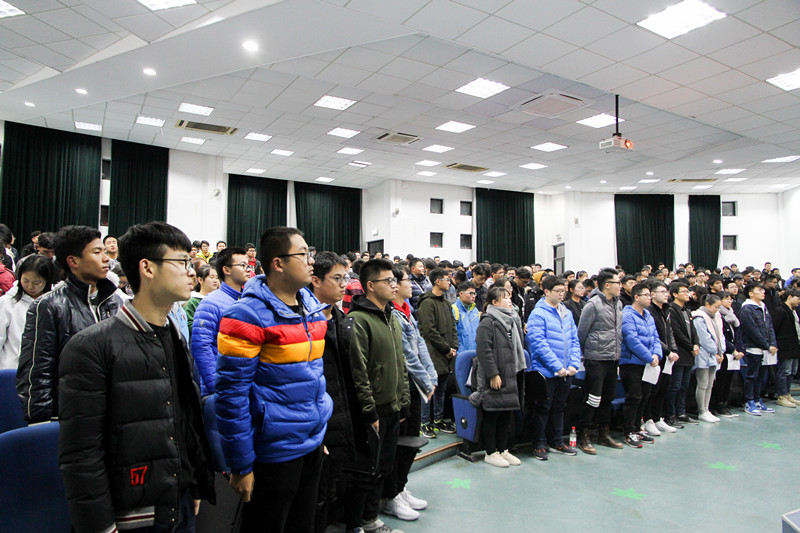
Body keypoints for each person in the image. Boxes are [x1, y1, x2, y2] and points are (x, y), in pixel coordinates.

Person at [58, 221, 215, 533]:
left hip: (179, 501)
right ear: (147, 268)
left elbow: (184, 420)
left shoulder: (173, 335)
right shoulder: (91, 347)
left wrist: (194, 480)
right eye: (182, 262)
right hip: (132, 516)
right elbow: (82, 455)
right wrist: (101, 527)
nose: (191, 272)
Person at [216, 227, 331, 533]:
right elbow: (231, 396)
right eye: (303, 254)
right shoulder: (245, 316)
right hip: (273, 452)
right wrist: (241, 464)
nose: (311, 261)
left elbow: (313, 377)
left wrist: (317, 432)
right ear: (278, 263)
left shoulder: (312, 308)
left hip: (310, 444)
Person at [16, 225, 122, 423]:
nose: (106, 258)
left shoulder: (114, 301)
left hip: (111, 415)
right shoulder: (49, 305)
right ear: (73, 261)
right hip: (69, 418)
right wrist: (41, 422)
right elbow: (36, 373)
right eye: (97, 252)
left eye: (104, 251)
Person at [343, 258, 409, 533]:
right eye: (388, 281)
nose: (394, 285)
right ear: (370, 286)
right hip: (374, 410)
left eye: (395, 280)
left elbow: (400, 362)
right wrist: (370, 411)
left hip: (392, 405)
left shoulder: (391, 316)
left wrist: (403, 401)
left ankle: (372, 516)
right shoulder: (358, 320)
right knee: (367, 469)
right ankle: (359, 522)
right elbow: (359, 373)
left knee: (384, 465)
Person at [309, 252, 363, 533]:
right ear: (315, 281)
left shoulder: (342, 319)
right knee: (315, 497)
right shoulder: (304, 322)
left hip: (342, 415)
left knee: (334, 489)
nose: (344, 285)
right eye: (337, 278)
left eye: (346, 278)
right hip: (319, 422)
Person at [385, 264, 436, 519]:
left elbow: (420, 344)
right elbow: (407, 355)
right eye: (406, 280)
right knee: (401, 441)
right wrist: (426, 381)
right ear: (394, 286)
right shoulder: (392, 314)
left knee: (412, 440)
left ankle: (401, 486)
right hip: (404, 386)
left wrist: (431, 376)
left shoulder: (407, 310)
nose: (411, 285)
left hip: (417, 385)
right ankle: (390, 494)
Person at [525, 275, 581, 461]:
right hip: (546, 371)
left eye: (563, 291)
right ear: (547, 292)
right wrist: (557, 366)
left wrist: (573, 364)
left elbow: (574, 340)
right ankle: (539, 443)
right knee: (543, 408)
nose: (561, 294)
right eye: (558, 291)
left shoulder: (566, 312)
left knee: (559, 407)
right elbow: (538, 343)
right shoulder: (538, 314)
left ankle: (557, 441)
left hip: (566, 371)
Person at [471, 285, 526, 468]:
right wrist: (493, 374)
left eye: (510, 297)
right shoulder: (488, 322)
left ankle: (503, 449)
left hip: (511, 372)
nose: (510, 301)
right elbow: (484, 351)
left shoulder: (511, 319)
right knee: (492, 415)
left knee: (505, 415)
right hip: (496, 375)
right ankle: (490, 452)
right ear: (494, 302)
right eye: (505, 298)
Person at [576, 268, 624, 454]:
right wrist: (588, 354)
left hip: (613, 357)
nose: (620, 286)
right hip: (596, 359)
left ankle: (604, 433)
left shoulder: (618, 304)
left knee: (608, 398)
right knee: (593, 398)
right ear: (607, 285)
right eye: (617, 283)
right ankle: (584, 435)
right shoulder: (592, 305)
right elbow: (582, 333)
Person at [190, 246, 247, 396]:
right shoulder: (212, 302)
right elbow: (201, 346)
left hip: (242, 385)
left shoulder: (247, 300)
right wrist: (216, 385)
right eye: (242, 265)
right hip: (221, 388)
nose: (247, 269)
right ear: (226, 270)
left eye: (248, 265)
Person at [418, 267, 459, 437]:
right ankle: (424, 422)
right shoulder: (427, 303)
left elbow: (453, 327)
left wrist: (453, 347)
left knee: (441, 389)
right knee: (429, 389)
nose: (449, 282)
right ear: (437, 281)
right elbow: (430, 331)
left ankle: (438, 419)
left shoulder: (446, 303)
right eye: (447, 279)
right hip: (433, 353)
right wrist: (446, 348)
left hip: (446, 354)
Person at [619, 283, 660, 448]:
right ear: (636, 297)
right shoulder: (628, 315)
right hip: (632, 363)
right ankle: (629, 431)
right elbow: (632, 340)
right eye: (646, 295)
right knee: (634, 397)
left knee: (644, 397)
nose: (650, 298)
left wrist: (656, 355)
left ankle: (637, 428)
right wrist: (649, 357)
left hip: (648, 364)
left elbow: (655, 337)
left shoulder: (648, 315)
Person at [0, 255, 52, 370]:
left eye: (36, 282)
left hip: (43, 369)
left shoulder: (54, 303)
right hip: (11, 369)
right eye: (25, 281)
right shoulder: (7, 302)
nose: (30, 286)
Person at [644, 280, 679, 435]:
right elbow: (654, 336)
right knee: (652, 390)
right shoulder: (649, 311)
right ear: (652, 294)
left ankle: (658, 418)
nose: (666, 295)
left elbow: (669, 332)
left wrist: (673, 349)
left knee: (663, 388)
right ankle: (648, 420)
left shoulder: (666, 310)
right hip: (656, 355)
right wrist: (666, 351)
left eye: (666, 292)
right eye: (662, 292)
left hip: (667, 357)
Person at [739, 283, 778, 416]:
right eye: (759, 290)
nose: (763, 292)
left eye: (763, 290)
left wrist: (772, 344)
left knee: (761, 376)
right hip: (753, 348)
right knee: (752, 376)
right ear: (751, 293)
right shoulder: (747, 308)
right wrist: (766, 345)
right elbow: (752, 330)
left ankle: (757, 400)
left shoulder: (763, 307)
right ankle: (749, 401)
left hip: (766, 348)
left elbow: (770, 327)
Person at [666, 282, 700, 427]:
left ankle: (681, 412)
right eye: (684, 291)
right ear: (675, 294)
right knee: (675, 386)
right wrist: (690, 346)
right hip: (679, 352)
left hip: (689, 354)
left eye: (688, 291)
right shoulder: (671, 310)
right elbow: (676, 332)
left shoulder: (687, 311)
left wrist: (696, 344)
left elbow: (693, 331)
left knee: (684, 386)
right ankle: (671, 415)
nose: (687, 294)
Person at [692, 294, 724, 423]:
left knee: (710, 384)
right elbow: (704, 338)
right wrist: (715, 352)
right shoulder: (699, 317)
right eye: (716, 307)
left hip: (714, 355)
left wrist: (721, 352)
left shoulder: (716, 317)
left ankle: (707, 409)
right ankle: (701, 411)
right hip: (704, 354)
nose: (717, 310)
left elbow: (720, 335)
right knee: (703, 384)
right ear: (707, 305)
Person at [710, 291, 743, 418]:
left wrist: (739, 349)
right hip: (724, 352)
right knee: (720, 380)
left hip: (734, 354)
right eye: (726, 299)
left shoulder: (733, 315)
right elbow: (721, 336)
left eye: (730, 299)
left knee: (728, 380)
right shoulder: (718, 315)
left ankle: (724, 402)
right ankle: (716, 404)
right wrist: (733, 349)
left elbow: (738, 334)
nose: (730, 301)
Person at [771, 289, 800, 408]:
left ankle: (787, 393)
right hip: (785, 345)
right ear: (790, 297)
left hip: (795, 345)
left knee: (792, 371)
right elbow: (774, 328)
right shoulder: (780, 310)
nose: (799, 301)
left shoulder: (794, 311)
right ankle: (781, 395)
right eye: (798, 298)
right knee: (784, 371)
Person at [183, 263, 219, 332]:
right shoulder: (193, 301)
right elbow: (188, 324)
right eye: (211, 277)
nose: (215, 281)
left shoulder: (219, 299)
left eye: (216, 278)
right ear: (200, 280)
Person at [452, 281, 480, 356]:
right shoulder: (454, 310)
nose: (473, 296)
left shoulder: (475, 311)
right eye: (471, 293)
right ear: (461, 294)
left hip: (475, 353)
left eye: (474, 293)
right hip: (460, 355)